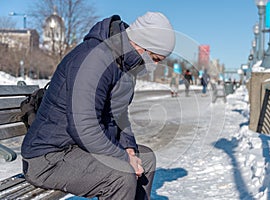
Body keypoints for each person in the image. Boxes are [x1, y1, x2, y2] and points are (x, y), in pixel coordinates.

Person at [21, 12, 175, 199]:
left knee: (146, 159)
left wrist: (128, 148)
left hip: (76, 148)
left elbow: (119, 114)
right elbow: (83, 126)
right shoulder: (94, 59)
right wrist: (124, 159)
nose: (154, 65)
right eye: (155, 58)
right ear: (142, 46)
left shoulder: (122, 63)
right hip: (49, 156)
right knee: (121, 175)